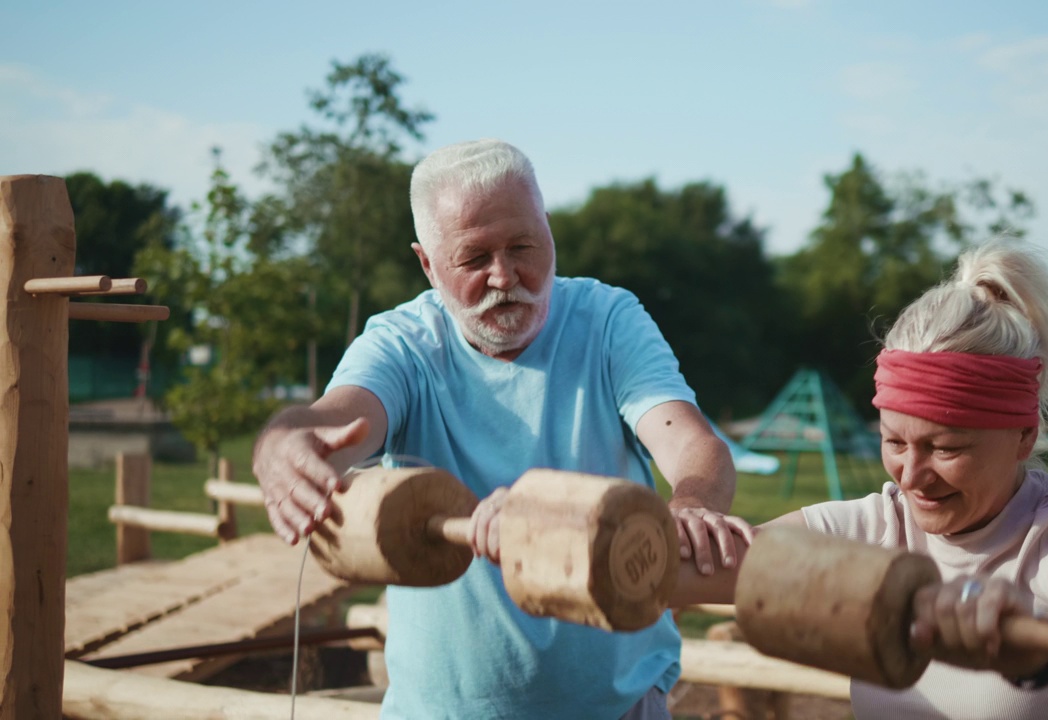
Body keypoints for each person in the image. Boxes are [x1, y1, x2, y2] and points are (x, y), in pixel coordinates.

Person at [251, 139, 746, 719]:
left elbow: (691, 443)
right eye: (474, 258)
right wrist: (283, 442)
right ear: (428, 264)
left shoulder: (608, 320)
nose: (504, 276)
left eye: (522, 246)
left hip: (617, 707)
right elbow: (336, 418)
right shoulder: (403, 344)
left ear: (549, 233)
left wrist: (690, 504)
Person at [680, 240, 1048, 720]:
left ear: (1024, 436)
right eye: (895, 443)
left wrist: (1040, 648)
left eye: (946, 448)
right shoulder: (872, 529)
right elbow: (697, 568)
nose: (912, 476)